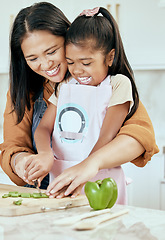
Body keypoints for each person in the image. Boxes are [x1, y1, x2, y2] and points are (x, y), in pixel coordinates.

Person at [0, 2, 159, 198]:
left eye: (51, 51)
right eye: (33, 58)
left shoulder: (110, 85)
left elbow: (140, 137)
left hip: (92, 188)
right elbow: (13, 147)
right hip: (41, 195)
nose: (46, 63)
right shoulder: (26, 92)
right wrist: (23, 162)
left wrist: (91, 163)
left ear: (68, 39)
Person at [31, 7, 137, 204]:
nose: (77, 70)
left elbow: (107, 136)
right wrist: (45, 154)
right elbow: (43, 128)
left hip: (100, 178)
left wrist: (84, 170)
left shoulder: (118, 84)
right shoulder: (64, 85)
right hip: (61, 177)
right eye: (70, 62)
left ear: (110, 57)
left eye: (86, 63)